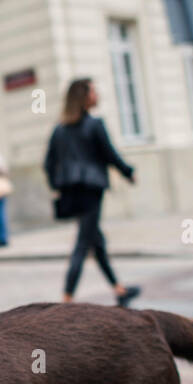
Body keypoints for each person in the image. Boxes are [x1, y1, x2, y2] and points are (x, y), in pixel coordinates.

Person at [44, 78, 140, 306]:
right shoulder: (95, 125)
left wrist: (57, 186)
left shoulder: (59, 129)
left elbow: (48, 163)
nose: (97, 96)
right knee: (83, 243)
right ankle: (67, 299)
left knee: (95, 240)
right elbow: (110, 154)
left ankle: (119, 289)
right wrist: (128, 173)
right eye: (94, 92)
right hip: (91, 189)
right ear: (84, 98)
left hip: (70, 192)